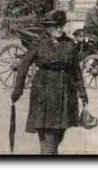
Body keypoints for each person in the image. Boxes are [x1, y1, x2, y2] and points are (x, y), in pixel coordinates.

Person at [11, 9, 88, 155]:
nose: (59, 29)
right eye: (54, 26)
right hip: (44, 95)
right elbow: (23, 66)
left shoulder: (69, 43)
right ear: (47, 28)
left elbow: (76, 70)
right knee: (48, 141)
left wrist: (82, 93)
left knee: (58, 135)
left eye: (61, 25)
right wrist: (17, 91)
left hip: (66, 95)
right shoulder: (39, 43)